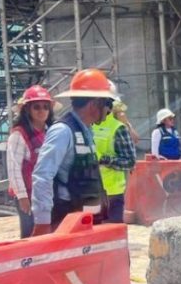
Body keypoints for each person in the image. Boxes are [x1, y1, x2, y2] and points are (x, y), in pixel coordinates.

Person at [31, 68, 118, 235]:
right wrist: (42, 222)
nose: (109, 110)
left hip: (84, 218)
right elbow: (42, 176)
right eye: (108, 103)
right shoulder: (63, 131)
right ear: (94, 103)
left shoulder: (86, 131)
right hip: (66, 219)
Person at [6, 85, 56, 238]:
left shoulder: (51, 132)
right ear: (27, 109)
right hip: (28, 193)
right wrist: (22, 197)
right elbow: (13, 168)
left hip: (47, 193)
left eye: (45, 107)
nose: (42, 111)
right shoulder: (18, 135)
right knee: (30, 234)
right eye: (36, 107)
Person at [93, 90, 137, 223]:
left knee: (111, 236)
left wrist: (104, 159)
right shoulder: (87, 125)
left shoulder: (118, 128)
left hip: (112, 192)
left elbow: (130, 161)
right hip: (90, 191)